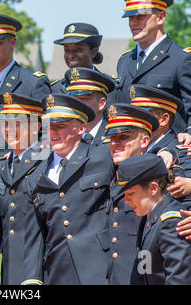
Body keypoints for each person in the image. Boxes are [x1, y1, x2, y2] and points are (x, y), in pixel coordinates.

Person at [104, 104, 191, 284]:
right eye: (112, 138)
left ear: (144, 141)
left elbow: (188, 205)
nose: (115, 143)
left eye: (123, 137)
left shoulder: (163, 171)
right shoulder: (112, 169)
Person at [22, 94, 115, 285]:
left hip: (101, 269)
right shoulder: (35, 175)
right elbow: (34, 235)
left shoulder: (103, 157)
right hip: (57, 272)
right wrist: (32, 279)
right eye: (49, 127)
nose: (53, 132)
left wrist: (170, 153)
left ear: (82, 127)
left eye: (61, 125)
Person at [114, 0, 191, 146]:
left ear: (161, 17)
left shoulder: (183, 59)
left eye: (140, 17)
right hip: (129, 156)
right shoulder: (125, 61)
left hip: (168, 155)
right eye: (130, 17)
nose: (133, 23)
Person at [0, 13, 51, 166]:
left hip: (17, 173)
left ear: (13, 42)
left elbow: (46, 134)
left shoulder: (33, 83)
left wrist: (21, 159)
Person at [118, 154, 191, 284]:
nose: (127, 201)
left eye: (130, 193)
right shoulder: (150, 216)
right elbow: (145, 271)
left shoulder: (171, 222)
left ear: (153, 188)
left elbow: (179, 279)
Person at [129, 84, 191, 206]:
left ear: (164, 119)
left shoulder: (183, 150)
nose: (136, 121)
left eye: (144, 116)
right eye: (134, 116)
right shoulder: (128, 147)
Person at [0, 93, 44, 285]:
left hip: (41, 265)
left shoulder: (48, 162)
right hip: (9, 263)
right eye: (5, 123)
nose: (10, 129)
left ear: (36, 126)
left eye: (17, 123)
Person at [62, 67, 115, 146]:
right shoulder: (63, 134)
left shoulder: (114, 135)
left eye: (83, 99)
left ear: (101, 103)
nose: (77, 105)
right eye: (74, 100)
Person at [51, 23, 106, 94]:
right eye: (66, 50)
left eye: (78, 49)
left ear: (93, 52)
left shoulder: (110, 87)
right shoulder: (55, 90)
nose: (70, 56)